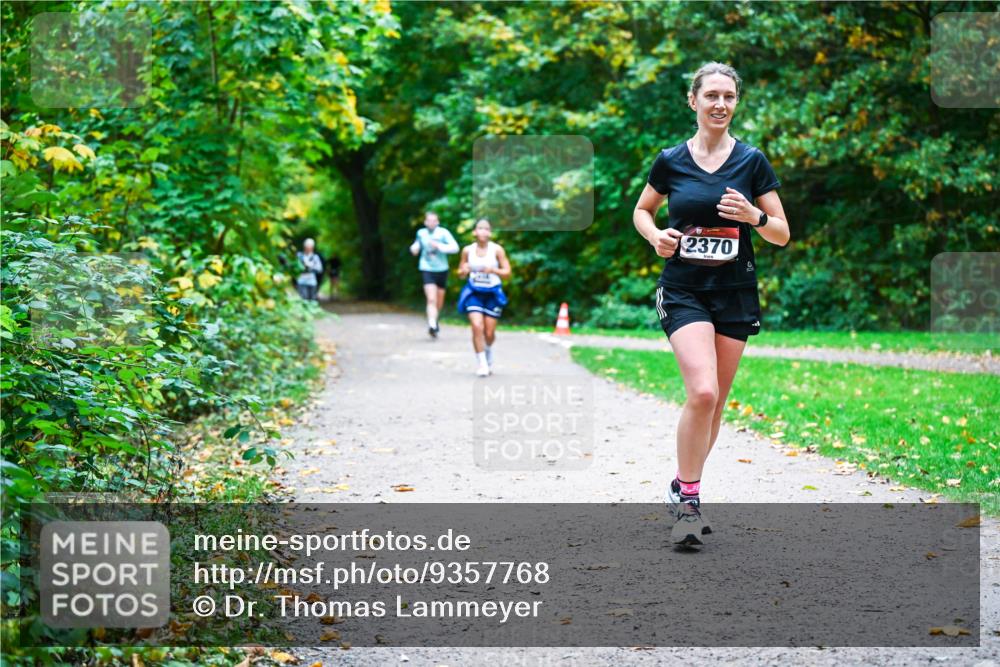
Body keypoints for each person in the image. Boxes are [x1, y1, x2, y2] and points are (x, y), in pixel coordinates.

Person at [632, 62, 790, 546]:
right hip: (683, 289)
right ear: (693, 100)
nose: (720, 104)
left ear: (736, 103)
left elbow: (782, 234)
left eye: (729, 96)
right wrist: (656, 236)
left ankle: (684, 485)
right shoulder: (671, 160)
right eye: (712, 95)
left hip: (734, 292)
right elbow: (642, 210)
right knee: (702, 392)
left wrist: (754, 215)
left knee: (716, 402)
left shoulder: (752, 161)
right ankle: (689, 503)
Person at [456, 219, 511, 377]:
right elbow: (460, 273)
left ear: (490, 233)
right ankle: (482, 364)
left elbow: (507, 272)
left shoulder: (497, 250)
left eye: (486, 229)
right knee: (476, 326)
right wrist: (463, 270)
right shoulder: (467, 250)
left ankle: (487, 351)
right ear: (474, 232)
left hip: (492, 293)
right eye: (480, 228)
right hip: (474, 292)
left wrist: (493, 270)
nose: (483, 231)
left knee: (489, 333)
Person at [409, 211, 459, 338]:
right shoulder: (421, 233)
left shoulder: (443, 233)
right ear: (425, 222)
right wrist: (414, 249)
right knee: (431, 299)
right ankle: (432, 324)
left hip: (442, 269)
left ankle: (434, 320)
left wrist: (439, 246)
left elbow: (455, 248)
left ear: (437, 222)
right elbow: (417, 245)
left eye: (434, 220)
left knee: (439, 301)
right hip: (427, 268)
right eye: (429, 220)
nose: (431, 223)